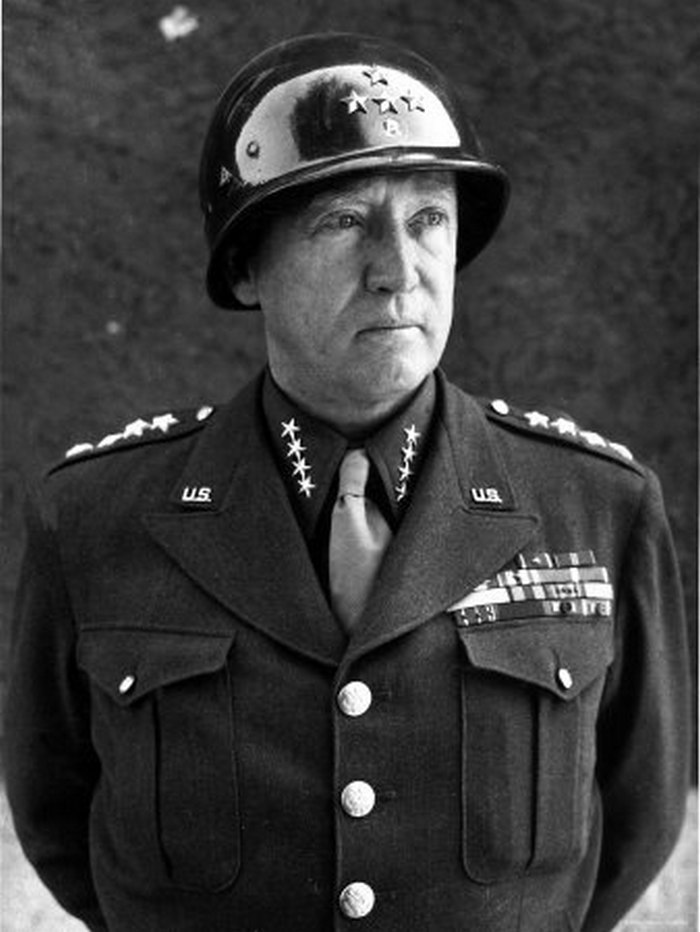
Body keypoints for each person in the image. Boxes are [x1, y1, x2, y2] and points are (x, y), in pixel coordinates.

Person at [5, 32, 690, 932]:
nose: (398, 272)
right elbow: (59, 813)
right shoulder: (96, 520)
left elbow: (636, 817)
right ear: (246, 265)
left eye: (429, 219)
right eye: (343, 222)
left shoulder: (596, 508)